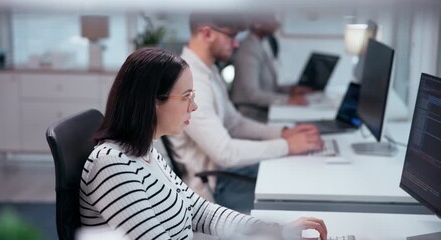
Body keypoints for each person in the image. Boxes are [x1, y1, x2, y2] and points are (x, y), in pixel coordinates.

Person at [79, 48, 328, 240]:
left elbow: (201, 212)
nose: (194, 107)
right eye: (187, 97)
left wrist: (276, 231)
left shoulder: (146, 152)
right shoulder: (112, 165)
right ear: (151, 101)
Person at [169, 13, 323, 213]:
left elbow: (235, 123)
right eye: (231, 36)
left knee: (298, 171)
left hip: (225, 173)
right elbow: (225, 153)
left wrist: (282, 133)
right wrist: (287, 145)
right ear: (207, 33)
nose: (236, 45)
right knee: (294, 191)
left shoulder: (209, 72)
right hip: (215, 185)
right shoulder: (192, 83)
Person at [230, 13, 312, 122]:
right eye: (271, 18)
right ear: (256, 23)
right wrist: (287, 100)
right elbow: (250, 93)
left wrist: (291, 90)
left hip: (263, 112)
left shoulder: (264, 44)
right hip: (250, 115)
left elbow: (268, 87)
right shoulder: (248, 49)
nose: (277, 23)